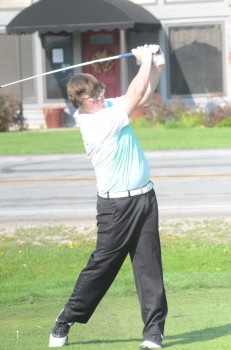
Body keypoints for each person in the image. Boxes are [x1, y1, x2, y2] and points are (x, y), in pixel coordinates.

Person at [49, 44, 168, 349]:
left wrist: (156, 65)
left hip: (145, 199)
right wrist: (142, 62)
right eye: (94, 94)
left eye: (100, 88)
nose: (101, 95)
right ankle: (66, 317)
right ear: (79, 101)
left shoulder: (108, 108)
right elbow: (133, 94)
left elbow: (143, 93)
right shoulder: (95, 124)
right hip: (116, 207)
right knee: (102, 267)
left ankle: (153, 332)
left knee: (149, 266)